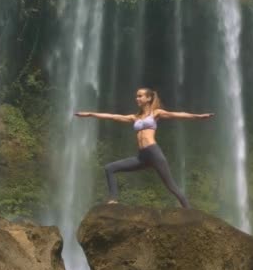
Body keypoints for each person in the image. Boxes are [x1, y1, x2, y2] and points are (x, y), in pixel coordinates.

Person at [75, 87, 214, 208]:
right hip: (141, 156)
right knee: (109, 168)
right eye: (137, 96)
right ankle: (113, 199)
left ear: (148, 98)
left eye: (140, 96)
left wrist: (198, 116)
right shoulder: (135, 117)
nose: (137, 98)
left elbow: (178, 114)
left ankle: (189, 211)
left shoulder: (156, 113)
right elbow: (112, 116)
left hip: (154, 152)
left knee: (172, 186)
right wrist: (90, 114)